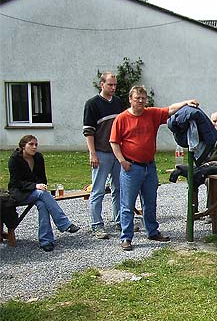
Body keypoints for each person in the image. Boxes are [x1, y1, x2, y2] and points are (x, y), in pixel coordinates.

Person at [110, 86, 199, 251]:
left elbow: (170, 110)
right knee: (127, 204)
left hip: (149, 166)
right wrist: (122, 161)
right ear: (130, 99)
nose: (141, 101)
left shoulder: (151, 113)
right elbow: (114, 142)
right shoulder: (122, 118)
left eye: (143, 98)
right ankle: (126, 237)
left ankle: (152, 231)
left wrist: (186, 102)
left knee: (150, 202)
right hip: (131, 167)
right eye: (138, 98)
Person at [8, 135, 80, 251]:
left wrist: (41, 185)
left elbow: (42, 178)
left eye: (36, 144)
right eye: (31, 144)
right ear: (23, 146)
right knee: (42, 194)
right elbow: (16, 183)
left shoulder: (38, 157)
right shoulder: (15, 159)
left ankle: (46, 241)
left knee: (42, 204)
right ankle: (64, 224)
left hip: (36, 192)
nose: (34, 147)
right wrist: (35, 186)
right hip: (20, 193)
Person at [83, 72, 126, 239]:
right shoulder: (92, 104)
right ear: (102, 84)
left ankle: (119, 220)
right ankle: (97, 225)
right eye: (110, 85)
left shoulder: (118, 102)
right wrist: (93, 153)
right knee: (98, 189)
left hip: (117, 152)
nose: (113, 88)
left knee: (119, 188)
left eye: (115, 85)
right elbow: (88, 131)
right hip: (101, 152)